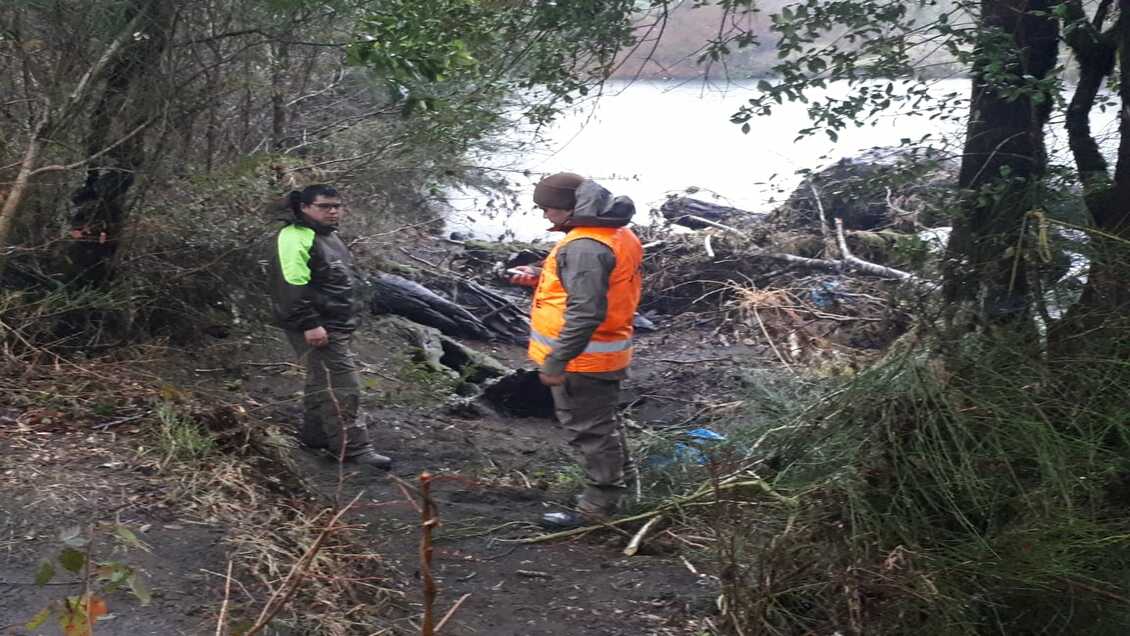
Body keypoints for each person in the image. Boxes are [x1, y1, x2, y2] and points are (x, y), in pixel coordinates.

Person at [516, 172, 643, 529]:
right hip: (604, 352)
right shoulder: (616, 231)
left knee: (590, 431)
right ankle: (623, 491)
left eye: (549, 208)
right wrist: (542, 271)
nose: (545, 216)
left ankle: (597, 509)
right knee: (605, 424)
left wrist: (557, 359)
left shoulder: (584, 246)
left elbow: (586, 310)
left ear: (571, 207)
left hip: (582, 359)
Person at [268, 184, 391, 470]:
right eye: (324, 206)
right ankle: (353, 449)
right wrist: (310, 324)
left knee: (319, 379)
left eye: (336, 205)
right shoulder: (294, 236)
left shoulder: (329, 236)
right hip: (316, 324)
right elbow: (290, 284)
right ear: (305, 207)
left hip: (336, 322)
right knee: (344, 386)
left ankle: (316, 436)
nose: (333, 211)